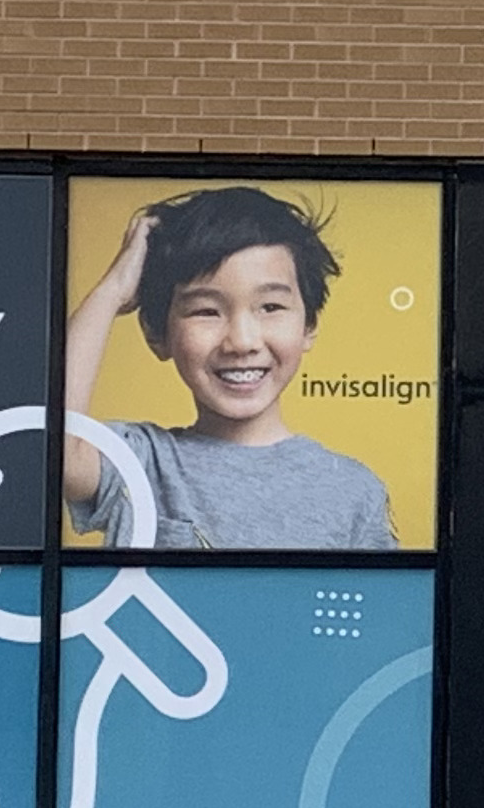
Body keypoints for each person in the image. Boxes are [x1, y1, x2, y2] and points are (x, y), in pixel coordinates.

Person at [61, 186, 398, 549]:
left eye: (270, 307)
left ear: (309, 326)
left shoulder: (354, 490)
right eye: (206, 311)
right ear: (156, 335)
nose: (242, 341)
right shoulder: (142, 461)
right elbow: (50, 446)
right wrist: (112, 291)